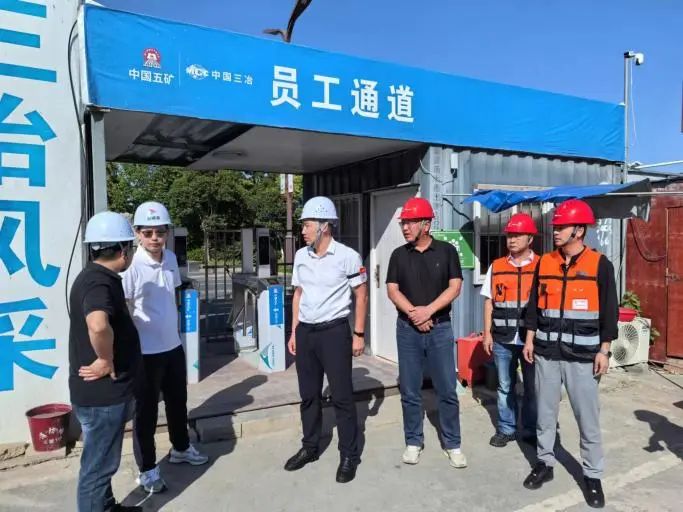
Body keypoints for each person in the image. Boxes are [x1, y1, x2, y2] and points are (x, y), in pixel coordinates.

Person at [522, 199, 618, 509]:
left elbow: (610, 313)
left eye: (561, 227)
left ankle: (592, 475)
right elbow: (534, 307)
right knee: (545, 414)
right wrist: (529, 339)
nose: (556, 231)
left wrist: (604, 350)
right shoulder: (545, 263)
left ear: (579, 230)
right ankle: (544, 462)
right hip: (547, 353)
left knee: (587, 419)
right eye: (556, 227)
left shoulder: (600, 264)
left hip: (584, 356)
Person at [122, 201, 208, 494]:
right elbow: (123, 307)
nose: (155, 238)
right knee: (145, 413)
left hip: (172, 346)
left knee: (177, 401)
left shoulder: (170, 258)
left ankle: (181, 448)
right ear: (137, 233)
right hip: (145, 353)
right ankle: (147, 469)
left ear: (167, 233)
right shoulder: (131, 266)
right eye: (148, 233)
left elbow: (171, 295)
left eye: (160, 232)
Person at [283, 196, 368, 484]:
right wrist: (294, 331)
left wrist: (358, 334)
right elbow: (298, 294)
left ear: (324, 226)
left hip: (334, 333)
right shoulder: (301, 256)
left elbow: (361, 295)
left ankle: (349, 455)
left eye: (307, 225)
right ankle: (310, 447)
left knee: (342, 397)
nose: (303, 231)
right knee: (309, 395)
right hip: (306, 333)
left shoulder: (347, 256)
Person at [69, 211, 142, 512]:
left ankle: (107, 506)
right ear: (123, 250)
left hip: (98, 396)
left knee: (101, 461)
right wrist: (105, 358)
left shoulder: (93, 277)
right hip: (103, 397)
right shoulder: (99, 283)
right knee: (98, 469)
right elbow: (98, 325)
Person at [386, 197, 466, 468]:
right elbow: (392, 290)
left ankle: (453, 444)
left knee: (447, 389)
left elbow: (455, 287)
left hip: (440, 328)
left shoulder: (446, 252)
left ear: (426, 224)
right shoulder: (398, 255)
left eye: (410, 222)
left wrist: (428, 311)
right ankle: (413, 441)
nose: (405, 228)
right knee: (410, 389)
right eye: (403, 223)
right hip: (407, 330)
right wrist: (414, 314)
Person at [481, 213, 539, 448]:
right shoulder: (497, 266)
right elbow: (489, 302)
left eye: (517, 235)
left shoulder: (542, 265)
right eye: (509, 235)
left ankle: (531, 430)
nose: (512, 240)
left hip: (531, 339)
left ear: (530, 239)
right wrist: (487, 334)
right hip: (502, 338)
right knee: (505, 386)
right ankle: (507, 428)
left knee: (533, 387)